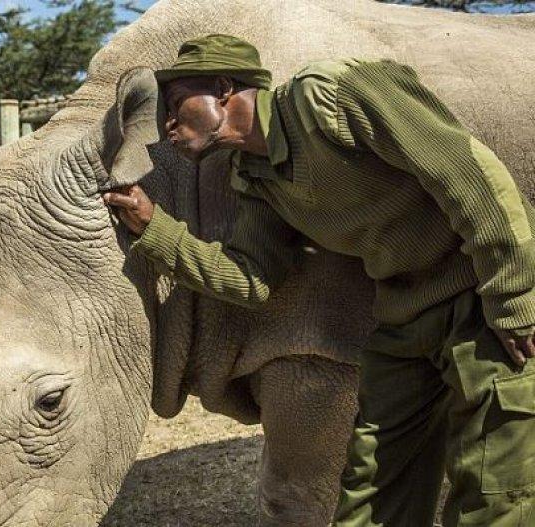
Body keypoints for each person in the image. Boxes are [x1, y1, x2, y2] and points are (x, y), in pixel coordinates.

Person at [103, 34, 535, 526]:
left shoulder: (328, 94)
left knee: (495, 491)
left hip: (484, 298)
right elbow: (251, 280)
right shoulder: (255, 177)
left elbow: (472, 176)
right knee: (371, 488)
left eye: (177, 105)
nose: (168, 127)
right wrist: (153, 226)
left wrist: (515, 299)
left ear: (224, 88)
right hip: (405, 317)